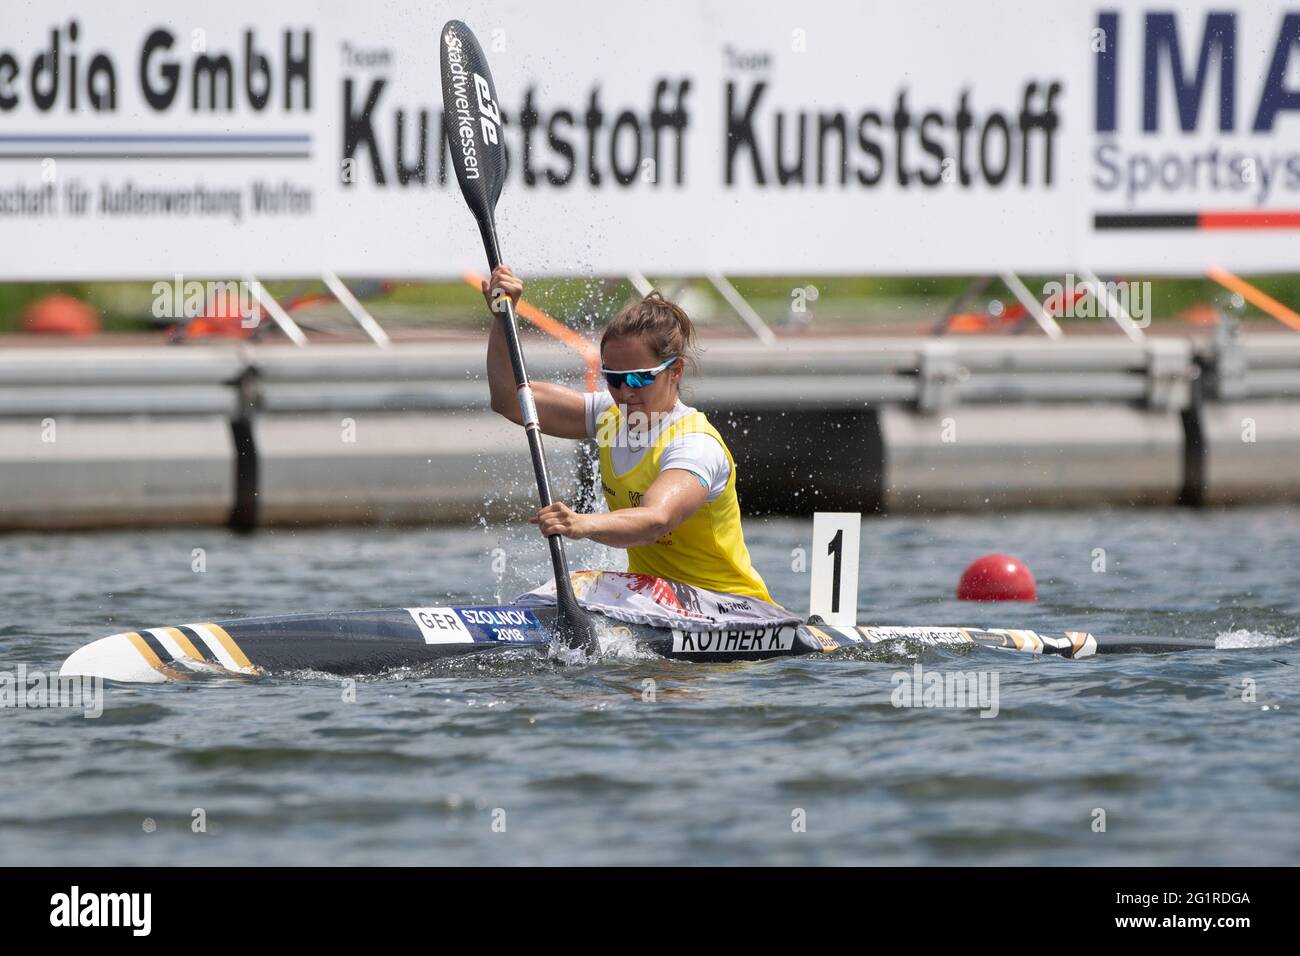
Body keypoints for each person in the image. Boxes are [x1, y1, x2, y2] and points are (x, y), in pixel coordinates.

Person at [482, 265, 776, 604]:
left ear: (675, 370)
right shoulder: (608, 417)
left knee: (581, 586)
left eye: (638, 379)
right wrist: (504, 317)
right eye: (613, 379)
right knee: (568, 592)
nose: (624, 393)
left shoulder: (694, 445)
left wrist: (581, 523)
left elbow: (656, 520)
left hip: (730, 606)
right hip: (658, 600)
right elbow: (511, 400)